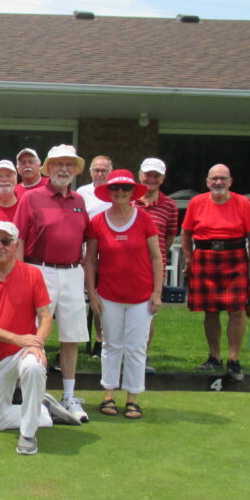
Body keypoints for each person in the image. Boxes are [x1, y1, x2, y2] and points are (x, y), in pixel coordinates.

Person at [14, 144, 92, 423]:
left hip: (72, 272)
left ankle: (69, 396)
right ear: (48, 168)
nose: (64, 169)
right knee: (36, 335)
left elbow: (87, 241)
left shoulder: (79, 201)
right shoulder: (31, 198)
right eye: (59, 164)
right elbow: (19, 240)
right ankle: (33, 395)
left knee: (71, 337)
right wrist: (20, 278)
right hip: (38, 270)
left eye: (69, 165)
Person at [83, 169, 163, 419]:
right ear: (108, 192)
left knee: (136, 347)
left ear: (132, 192)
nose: (120, 193)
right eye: (115, 189)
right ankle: (108, 395)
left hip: (141, 296)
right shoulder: (97, 221)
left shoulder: (144, 219)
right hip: (108, 294)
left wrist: (157, 292)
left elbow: (156, 257)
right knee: (111, 345)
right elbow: (91, 261)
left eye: (125, 189)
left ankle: (133, 397)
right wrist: (92, 294)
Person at [0, 222, 54, 455]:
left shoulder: (32, 274)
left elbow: (46, 316)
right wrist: (20, 339)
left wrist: (37, 344)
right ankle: (42, 411)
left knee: (34, 367)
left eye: (5, 241)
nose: (0, 246)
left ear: (15, 245)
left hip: (23, 351)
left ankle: (28, 435)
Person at [181, 163, 250, 381]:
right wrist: (188, 259)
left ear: (230, 181)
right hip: (205, 258)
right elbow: (186, 234)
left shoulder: (242, 202)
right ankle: (214, 357)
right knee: (211, 311)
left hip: (234, 258)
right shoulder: (197, 202)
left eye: (222, 178)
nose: (218, 182)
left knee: (237, 311)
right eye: (214, 178)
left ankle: (234, 359)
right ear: (207, 182)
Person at [133, 158, 179, 374]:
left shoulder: (169, 205)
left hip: (152, 269)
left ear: (163, 179)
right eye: (148, 174)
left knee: (147, 314)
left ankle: (142, 355)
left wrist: (155, 257)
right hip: (125, 265)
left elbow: (169, 237)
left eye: (156, 175)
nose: (151, 179)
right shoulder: (128, 200)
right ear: (140, 175)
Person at [75, 155, 113, 356]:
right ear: (90, 172)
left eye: (104, 170)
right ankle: (78, 341)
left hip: (108, 256)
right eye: (96, 170)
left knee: (102, 301)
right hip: (85, 255)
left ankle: (101, 341)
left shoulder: (114, 192)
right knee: (83, 300)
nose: (99, 174)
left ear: (110, 172)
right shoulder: (82, 193)